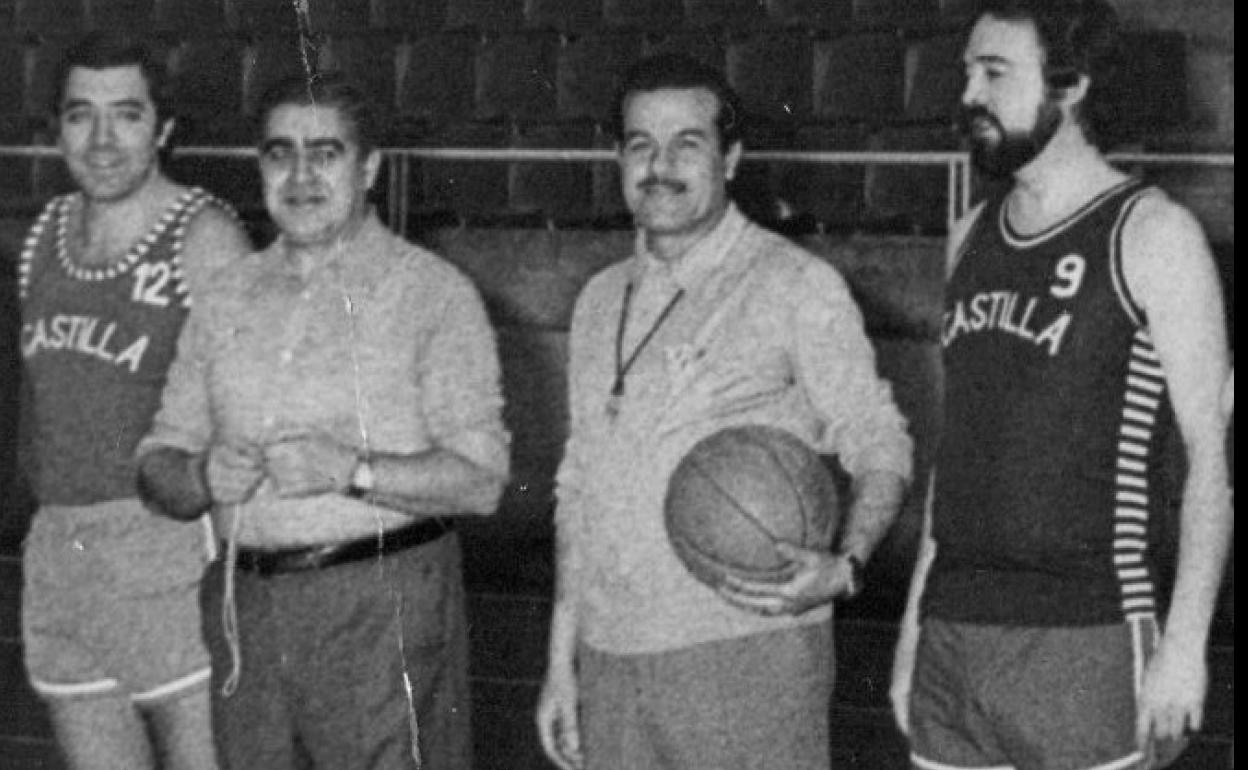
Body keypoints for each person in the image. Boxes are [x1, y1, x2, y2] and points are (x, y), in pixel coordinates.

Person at [537, 53, 913, 770]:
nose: (660, 164)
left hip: (746, 656)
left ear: (732, 157)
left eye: (688, 143)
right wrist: (563, 662)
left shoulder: (795, 283)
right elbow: (577, 488)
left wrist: (847, 565)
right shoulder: (597, 300)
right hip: (611, 657)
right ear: (617, 158)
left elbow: (879, 440)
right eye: (640, 144)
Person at [889, 2, 1233, 769]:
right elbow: (960, 453)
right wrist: (914, 627)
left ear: (1070, 85)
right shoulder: (968, 234)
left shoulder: (1153, 234)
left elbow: (1210, 458)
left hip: (1087, 633)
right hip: (954, 629)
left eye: (994, 73)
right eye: (966, 73)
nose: (969, 94)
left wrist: (1183, 646)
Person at [135, 72, 510, 769]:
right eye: (280, 153)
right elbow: (157, 464)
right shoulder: (223, 298)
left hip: (383, 606)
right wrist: (197, 473)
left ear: (369, 167)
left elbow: (482, 481)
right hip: (244, 608)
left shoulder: (434, 294)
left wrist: (353, 470)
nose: (301, 174)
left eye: (326, 153)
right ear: (260, 166)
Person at [16, 32, 251, 770]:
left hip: (167, 552)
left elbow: (244, 413)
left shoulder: (205, 237)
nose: (103, 139)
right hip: (62, 553)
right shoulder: (44, 235)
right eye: (81, 115)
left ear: (164, 127)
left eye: (127, 114)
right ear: (56, 127)